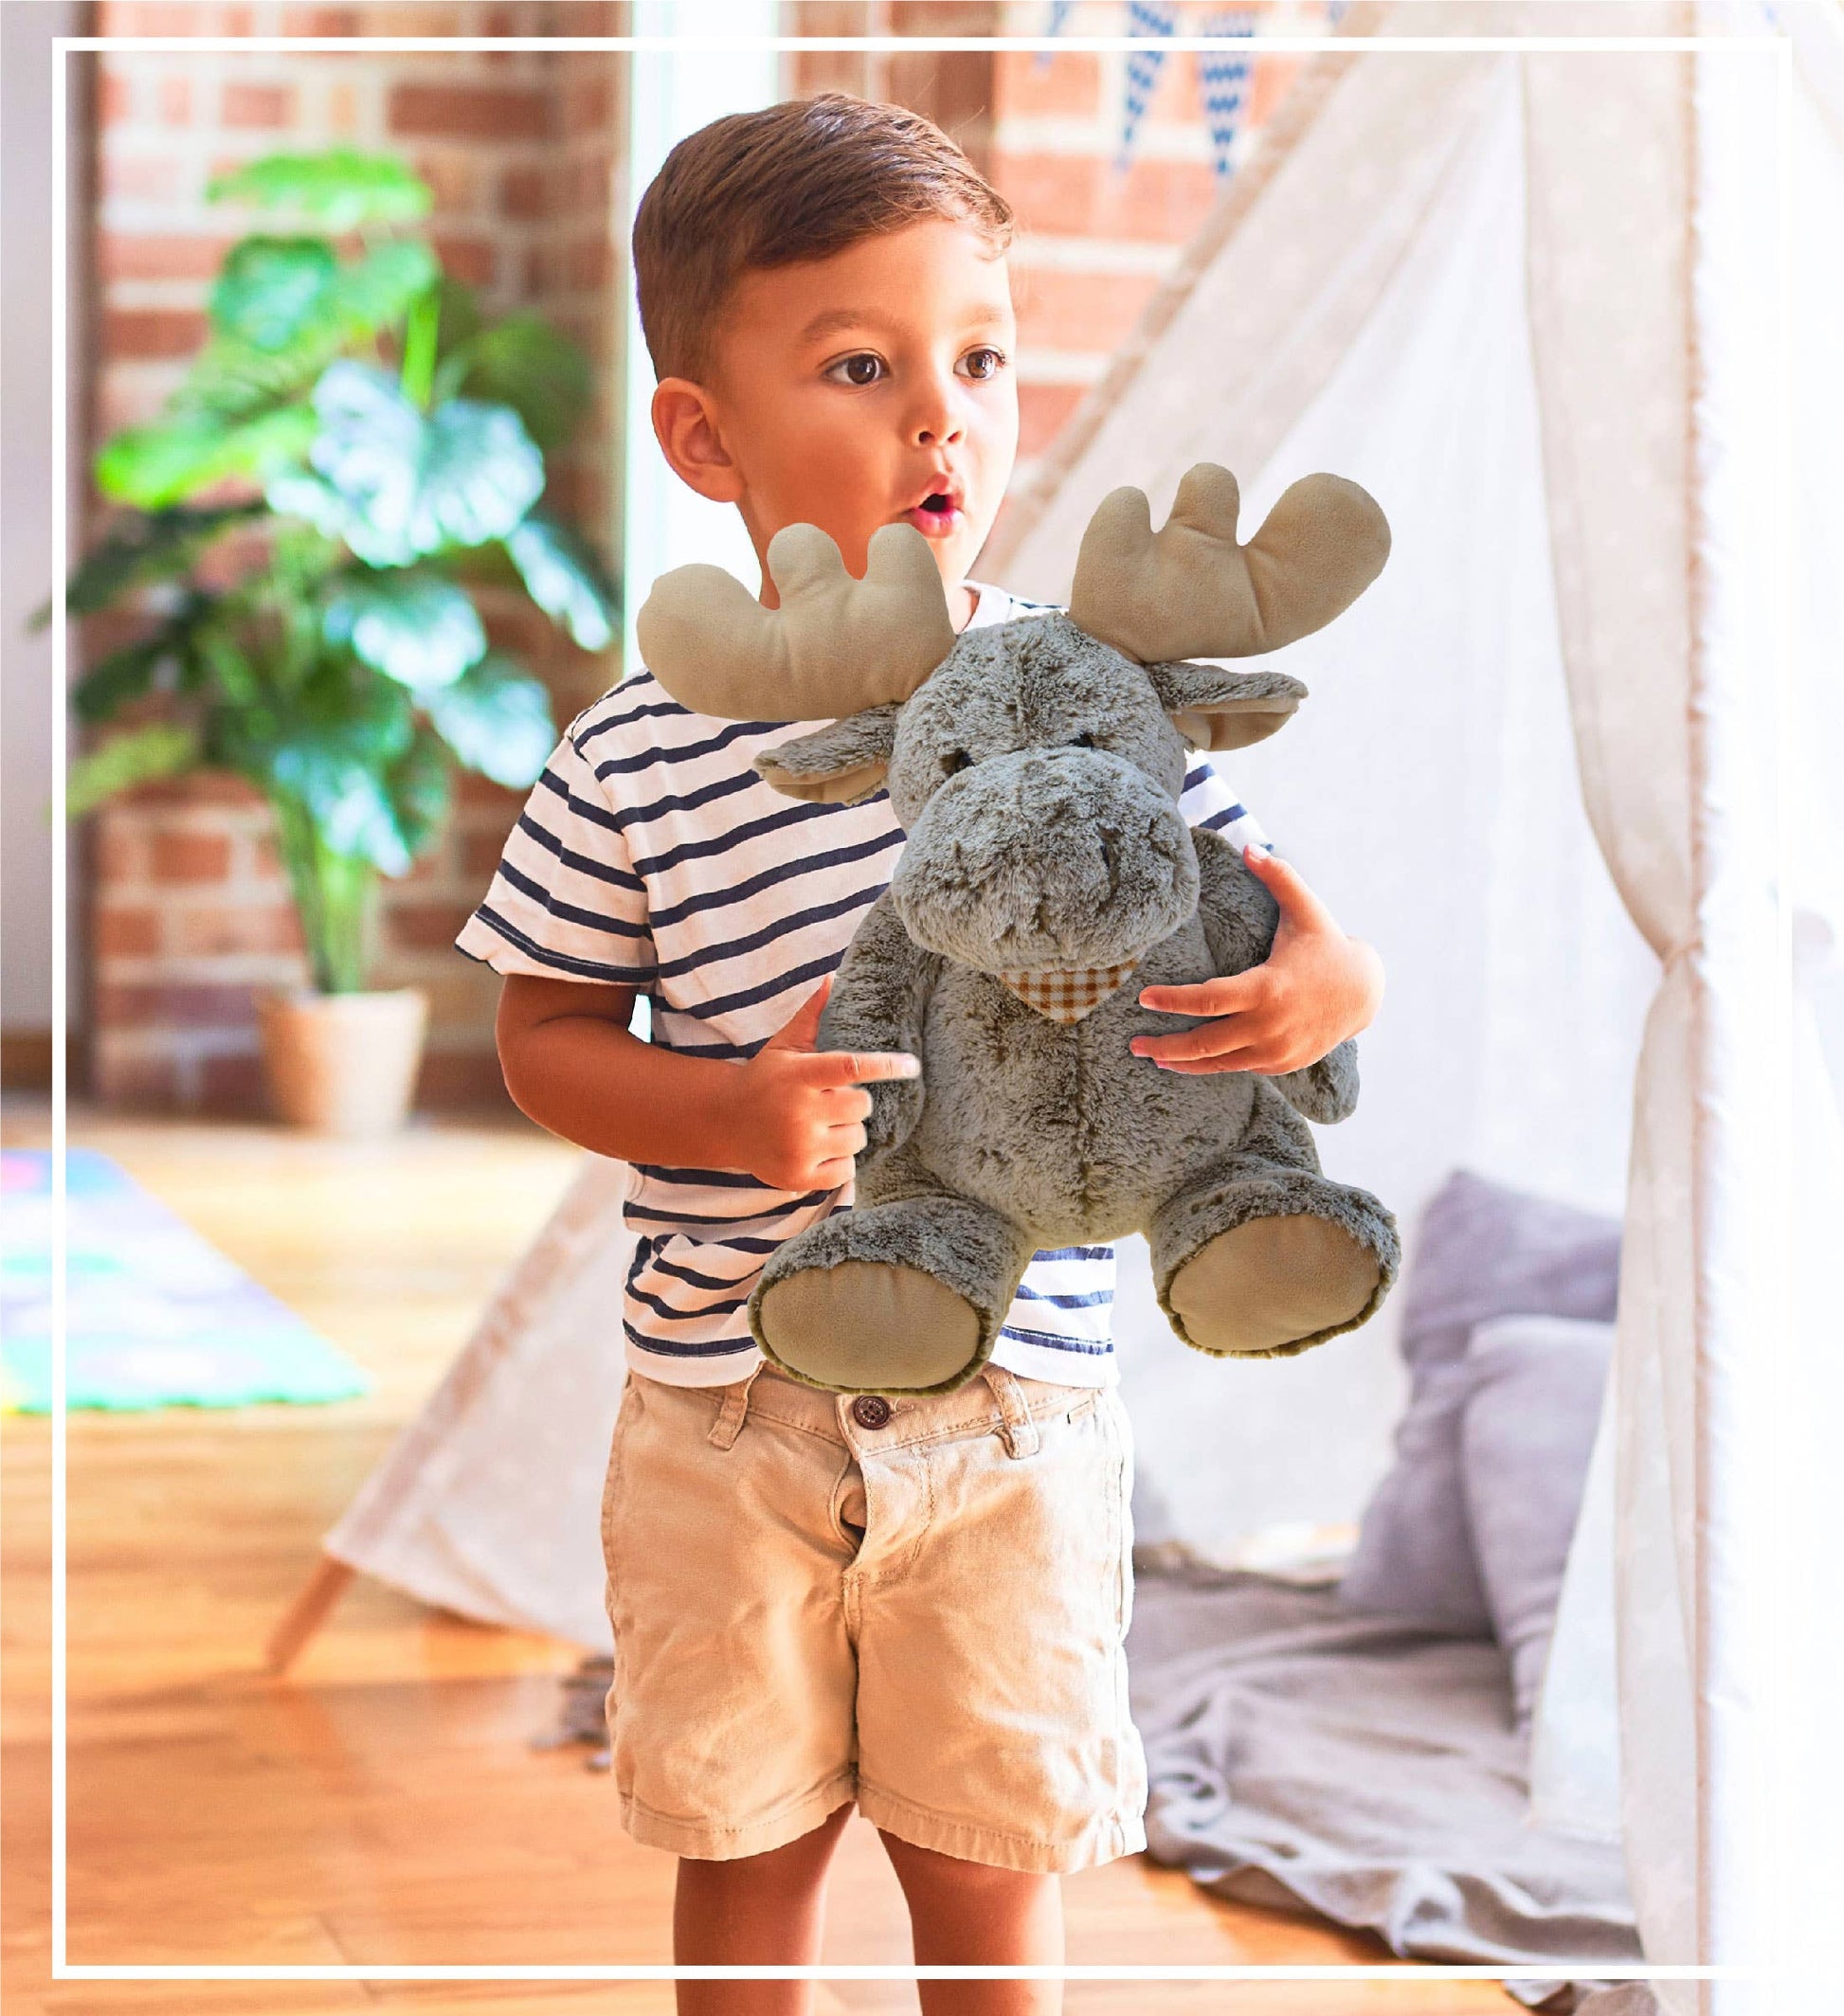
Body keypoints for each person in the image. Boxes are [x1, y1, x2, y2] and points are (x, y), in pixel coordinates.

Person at [456, 93, 1383, 2016]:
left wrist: (1324, 989)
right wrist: (725, 1110)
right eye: (861, 367)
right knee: (744, 1838)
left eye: (977, 358)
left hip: (1016, 1414)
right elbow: (540, 1035)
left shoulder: (1093, 691)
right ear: (703, 436)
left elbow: (1264, 912)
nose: (940, 418)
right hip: (725, 1406)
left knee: (987, 1855)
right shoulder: (636, 748)